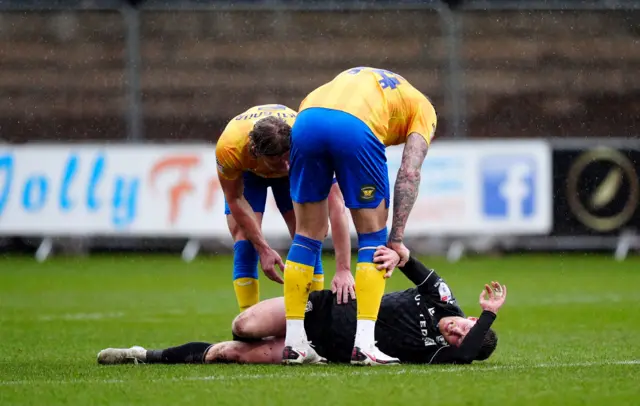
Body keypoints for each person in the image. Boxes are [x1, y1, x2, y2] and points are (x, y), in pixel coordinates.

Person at [97, 247, 506, 366]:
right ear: (467, 316)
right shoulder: (443, 299)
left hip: (326, 350)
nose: (453, 333)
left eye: (456, 339)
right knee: (243, 325)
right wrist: (398, 254)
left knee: (230, 354)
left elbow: (469, 352)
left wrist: (491, 316)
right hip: (325, 308)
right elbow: (411, 261)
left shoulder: (443, 353)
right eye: (461, 327)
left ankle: (141, 356)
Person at [281, 67, 438, 365]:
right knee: (373, 238)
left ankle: (295, 343)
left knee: (307, 235)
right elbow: (409, 171)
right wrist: (397, 240)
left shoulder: (375, 83)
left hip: (306, 119)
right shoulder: (424, 110)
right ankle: (364, 344)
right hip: (355, 127)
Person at [215, 104, 354, 314]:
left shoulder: (307, 141)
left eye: (286, 156)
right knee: (245, 243)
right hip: (249, 175)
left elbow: (337, 205)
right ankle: (248, 322)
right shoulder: (230, 148)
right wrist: (264, 249)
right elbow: (234, 198)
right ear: (256, 151)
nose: (284, 164)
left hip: (298, 169)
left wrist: (343, 267)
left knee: (311, 239)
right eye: (276, 159)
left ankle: (316, 319)